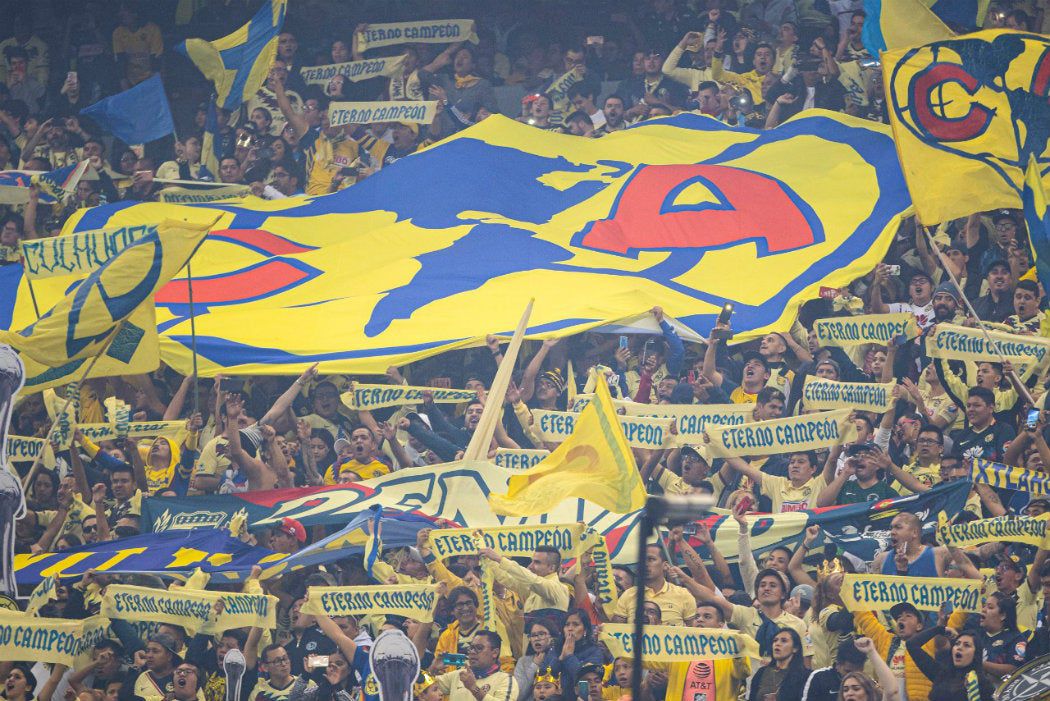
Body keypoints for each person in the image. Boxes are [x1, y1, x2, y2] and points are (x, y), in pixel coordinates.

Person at [747, 628, 810, 701]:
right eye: (775, 640)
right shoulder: (761, 672)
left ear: (795, 648)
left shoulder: (805, 676)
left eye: (784, 641)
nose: (777, 644)